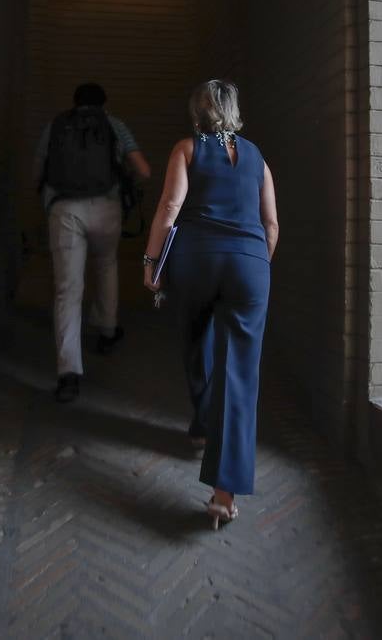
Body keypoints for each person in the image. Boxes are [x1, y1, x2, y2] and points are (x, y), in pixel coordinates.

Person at [142, 80, 279, 529]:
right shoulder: (257, 157)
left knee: (194, 337)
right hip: (249, 264)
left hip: (196, 262)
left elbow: (169, 207)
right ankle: (224, 494)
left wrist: (151, 262)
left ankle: (203, 421)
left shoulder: (187, 148)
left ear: (198, 112)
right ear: (234, 111)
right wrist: (254, 263)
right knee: (240, 373)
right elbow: (271, 224)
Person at [35, 83, 151, 403]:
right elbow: (143, 170)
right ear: (104, 104)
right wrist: (127, 182)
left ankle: (68, 374)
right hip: (106, 207)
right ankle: (107, 331)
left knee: (68, 289)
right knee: (106, 266)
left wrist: (46, 200)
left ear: (75, 103)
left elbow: (39, 169)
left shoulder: (56, 125)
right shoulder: (115, 125)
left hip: (64, 208)